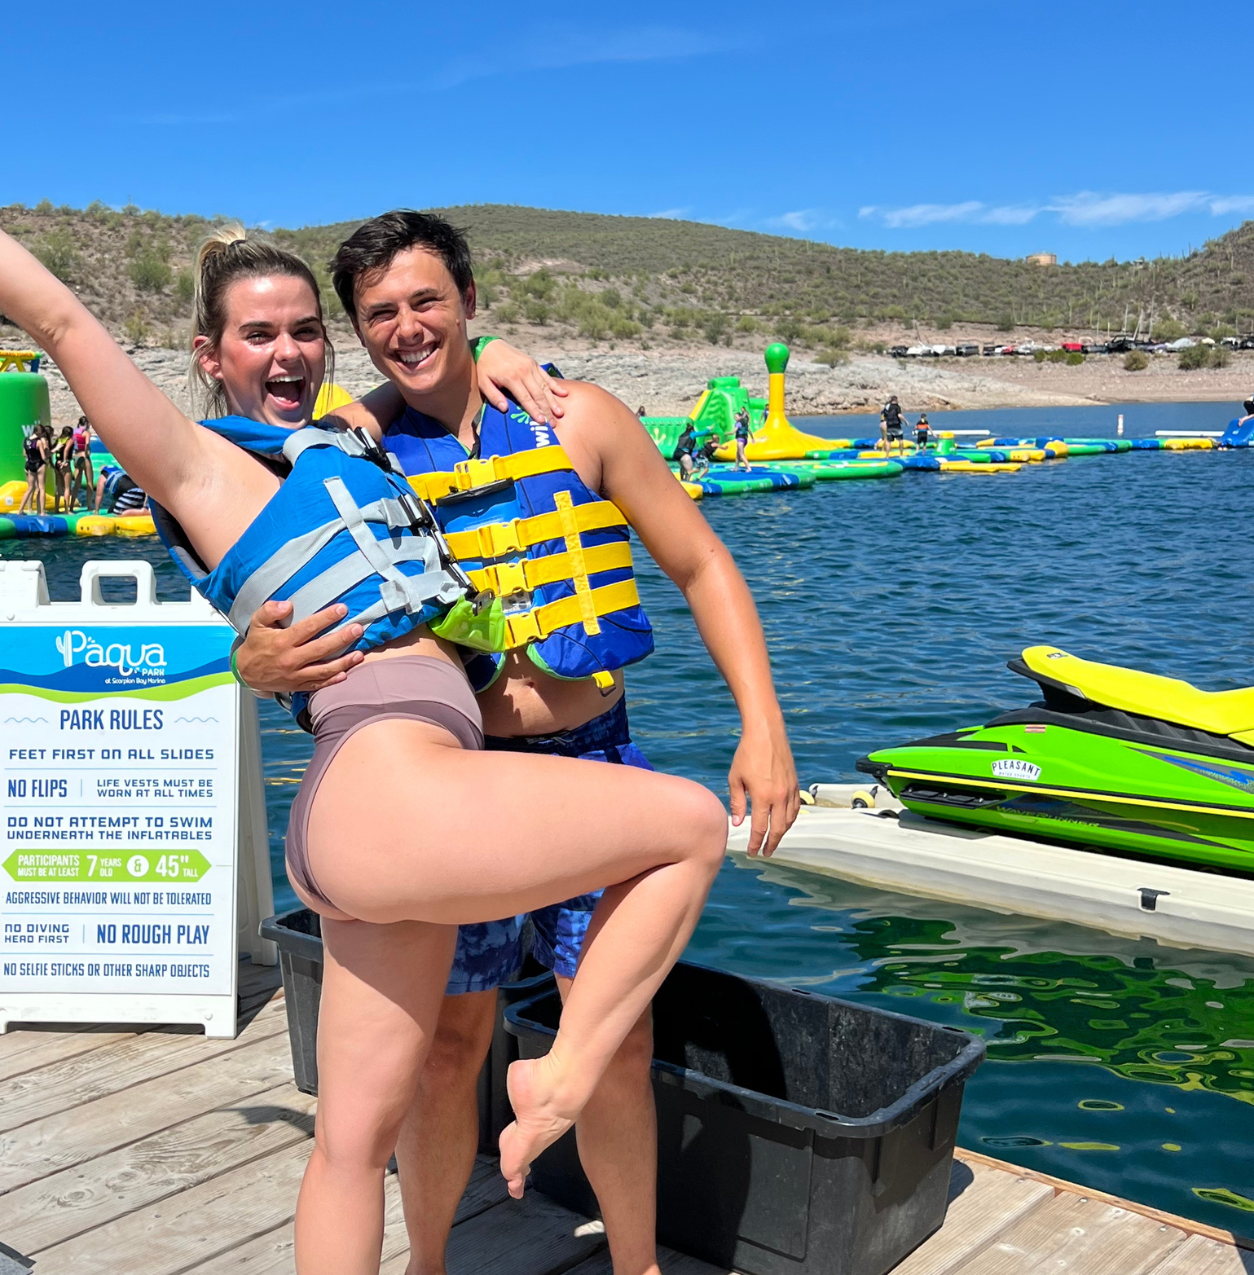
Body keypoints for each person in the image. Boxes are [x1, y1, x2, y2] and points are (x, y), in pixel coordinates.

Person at [0, 103, 742, 1272]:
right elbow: (57, 319)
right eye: (255, 336)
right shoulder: (206, 469)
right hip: (400, 795)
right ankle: (562, 1072)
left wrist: (495, 351)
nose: (286, 354)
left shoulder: (348, 449)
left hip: (368, 814)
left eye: (303, 333)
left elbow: (432, 378)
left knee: (347, 1143)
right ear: (207, 357)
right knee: (690, 826)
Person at [238, 211, 797, 1275]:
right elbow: (262, 582)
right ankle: (431, 1262)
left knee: (618, 1046)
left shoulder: (577, 417)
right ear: (359, 334)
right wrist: (246, 662)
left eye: (427, 302)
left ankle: (633, 1267)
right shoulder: (350, 457)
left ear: (471, 300)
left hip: (593, 761)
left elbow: (704, 565)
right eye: (380, 315)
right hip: (460, 786)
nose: (407, 328)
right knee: (450, 1050)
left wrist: (763, 725)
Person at [17, 422, 50, 513]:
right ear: (40, 433)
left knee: (30, 488)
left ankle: (20, 510)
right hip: (39, 464)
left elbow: (24, 454)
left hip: (30, 464)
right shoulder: (38, 442)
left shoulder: (26, 440)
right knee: (42, 488)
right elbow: (43, 457)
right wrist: (47, 451)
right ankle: (42, 512)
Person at [69, 416, 95, 511]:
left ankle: (71, 506)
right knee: (89, 482)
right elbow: (87, 444)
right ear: (87, 424)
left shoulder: (74, 433)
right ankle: (89, 506)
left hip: (76, 458)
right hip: (84, 457)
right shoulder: (86, 433)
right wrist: (87, 453)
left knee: (76, 484)